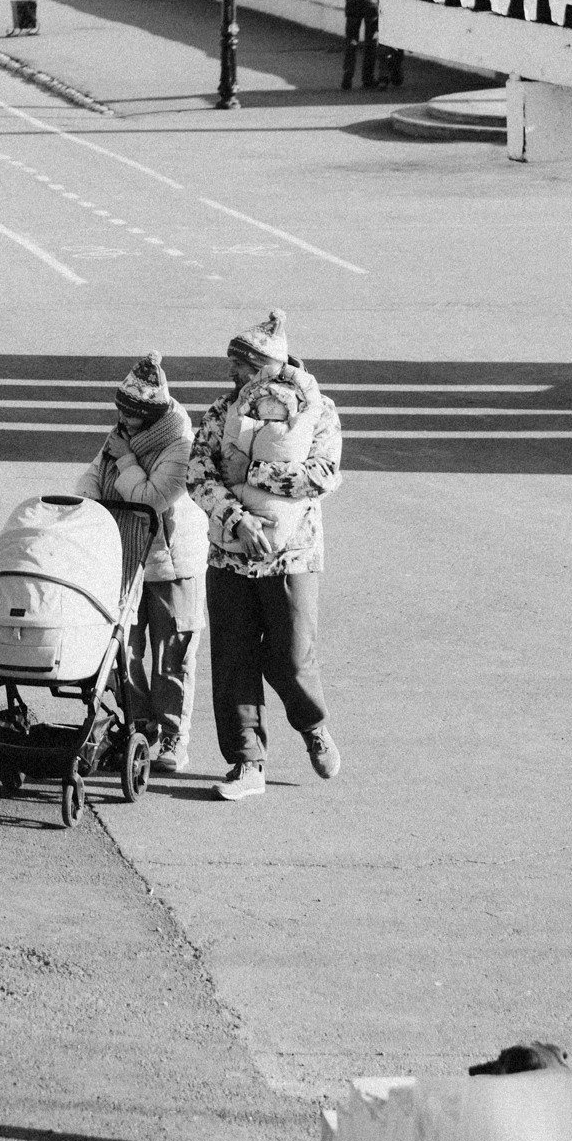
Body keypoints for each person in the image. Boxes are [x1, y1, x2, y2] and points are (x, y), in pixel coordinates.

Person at [187, 310, 344, 800]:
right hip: (229, 555)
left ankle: (312, 725)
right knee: (233, 659)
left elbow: (320, 475)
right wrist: (237, 519)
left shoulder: (318, 410)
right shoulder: (219, 413)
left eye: (240, 365)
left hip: (291, 558)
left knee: (291, 655)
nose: (231, 374)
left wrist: (250, 472)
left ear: (265, 367)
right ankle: (246, 764)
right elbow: (198, 473)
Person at [76, 352, 207, 775]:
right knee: (121, 649)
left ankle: (173, 735)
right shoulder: (121, 434)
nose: (123, 419)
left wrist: (127, 458)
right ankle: (139, 723)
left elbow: (152, 497)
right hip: (126, 557)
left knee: (172, 652)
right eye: (120, 412)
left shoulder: (181, 444)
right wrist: (87, 504)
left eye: (132, 415)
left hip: (172, 562)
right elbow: (95, 473)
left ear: (152, 416)